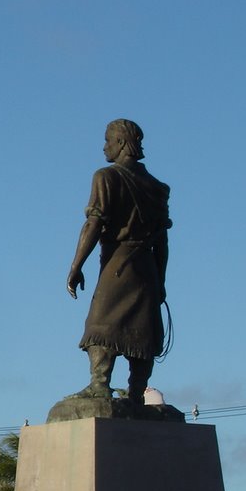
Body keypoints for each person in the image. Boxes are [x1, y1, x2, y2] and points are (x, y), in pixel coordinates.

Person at [67, 118, 171, 405]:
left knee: (100, 324)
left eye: (107, 140)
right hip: (147, 268)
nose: (104, 147)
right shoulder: (158, 187)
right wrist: (160, 280)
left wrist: (76, 266)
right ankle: (137, 393)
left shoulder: (106, 177)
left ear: (122, 142)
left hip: (118, 263)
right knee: (144, 329)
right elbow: (162, 241)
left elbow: (94, 223)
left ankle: (99, 385)